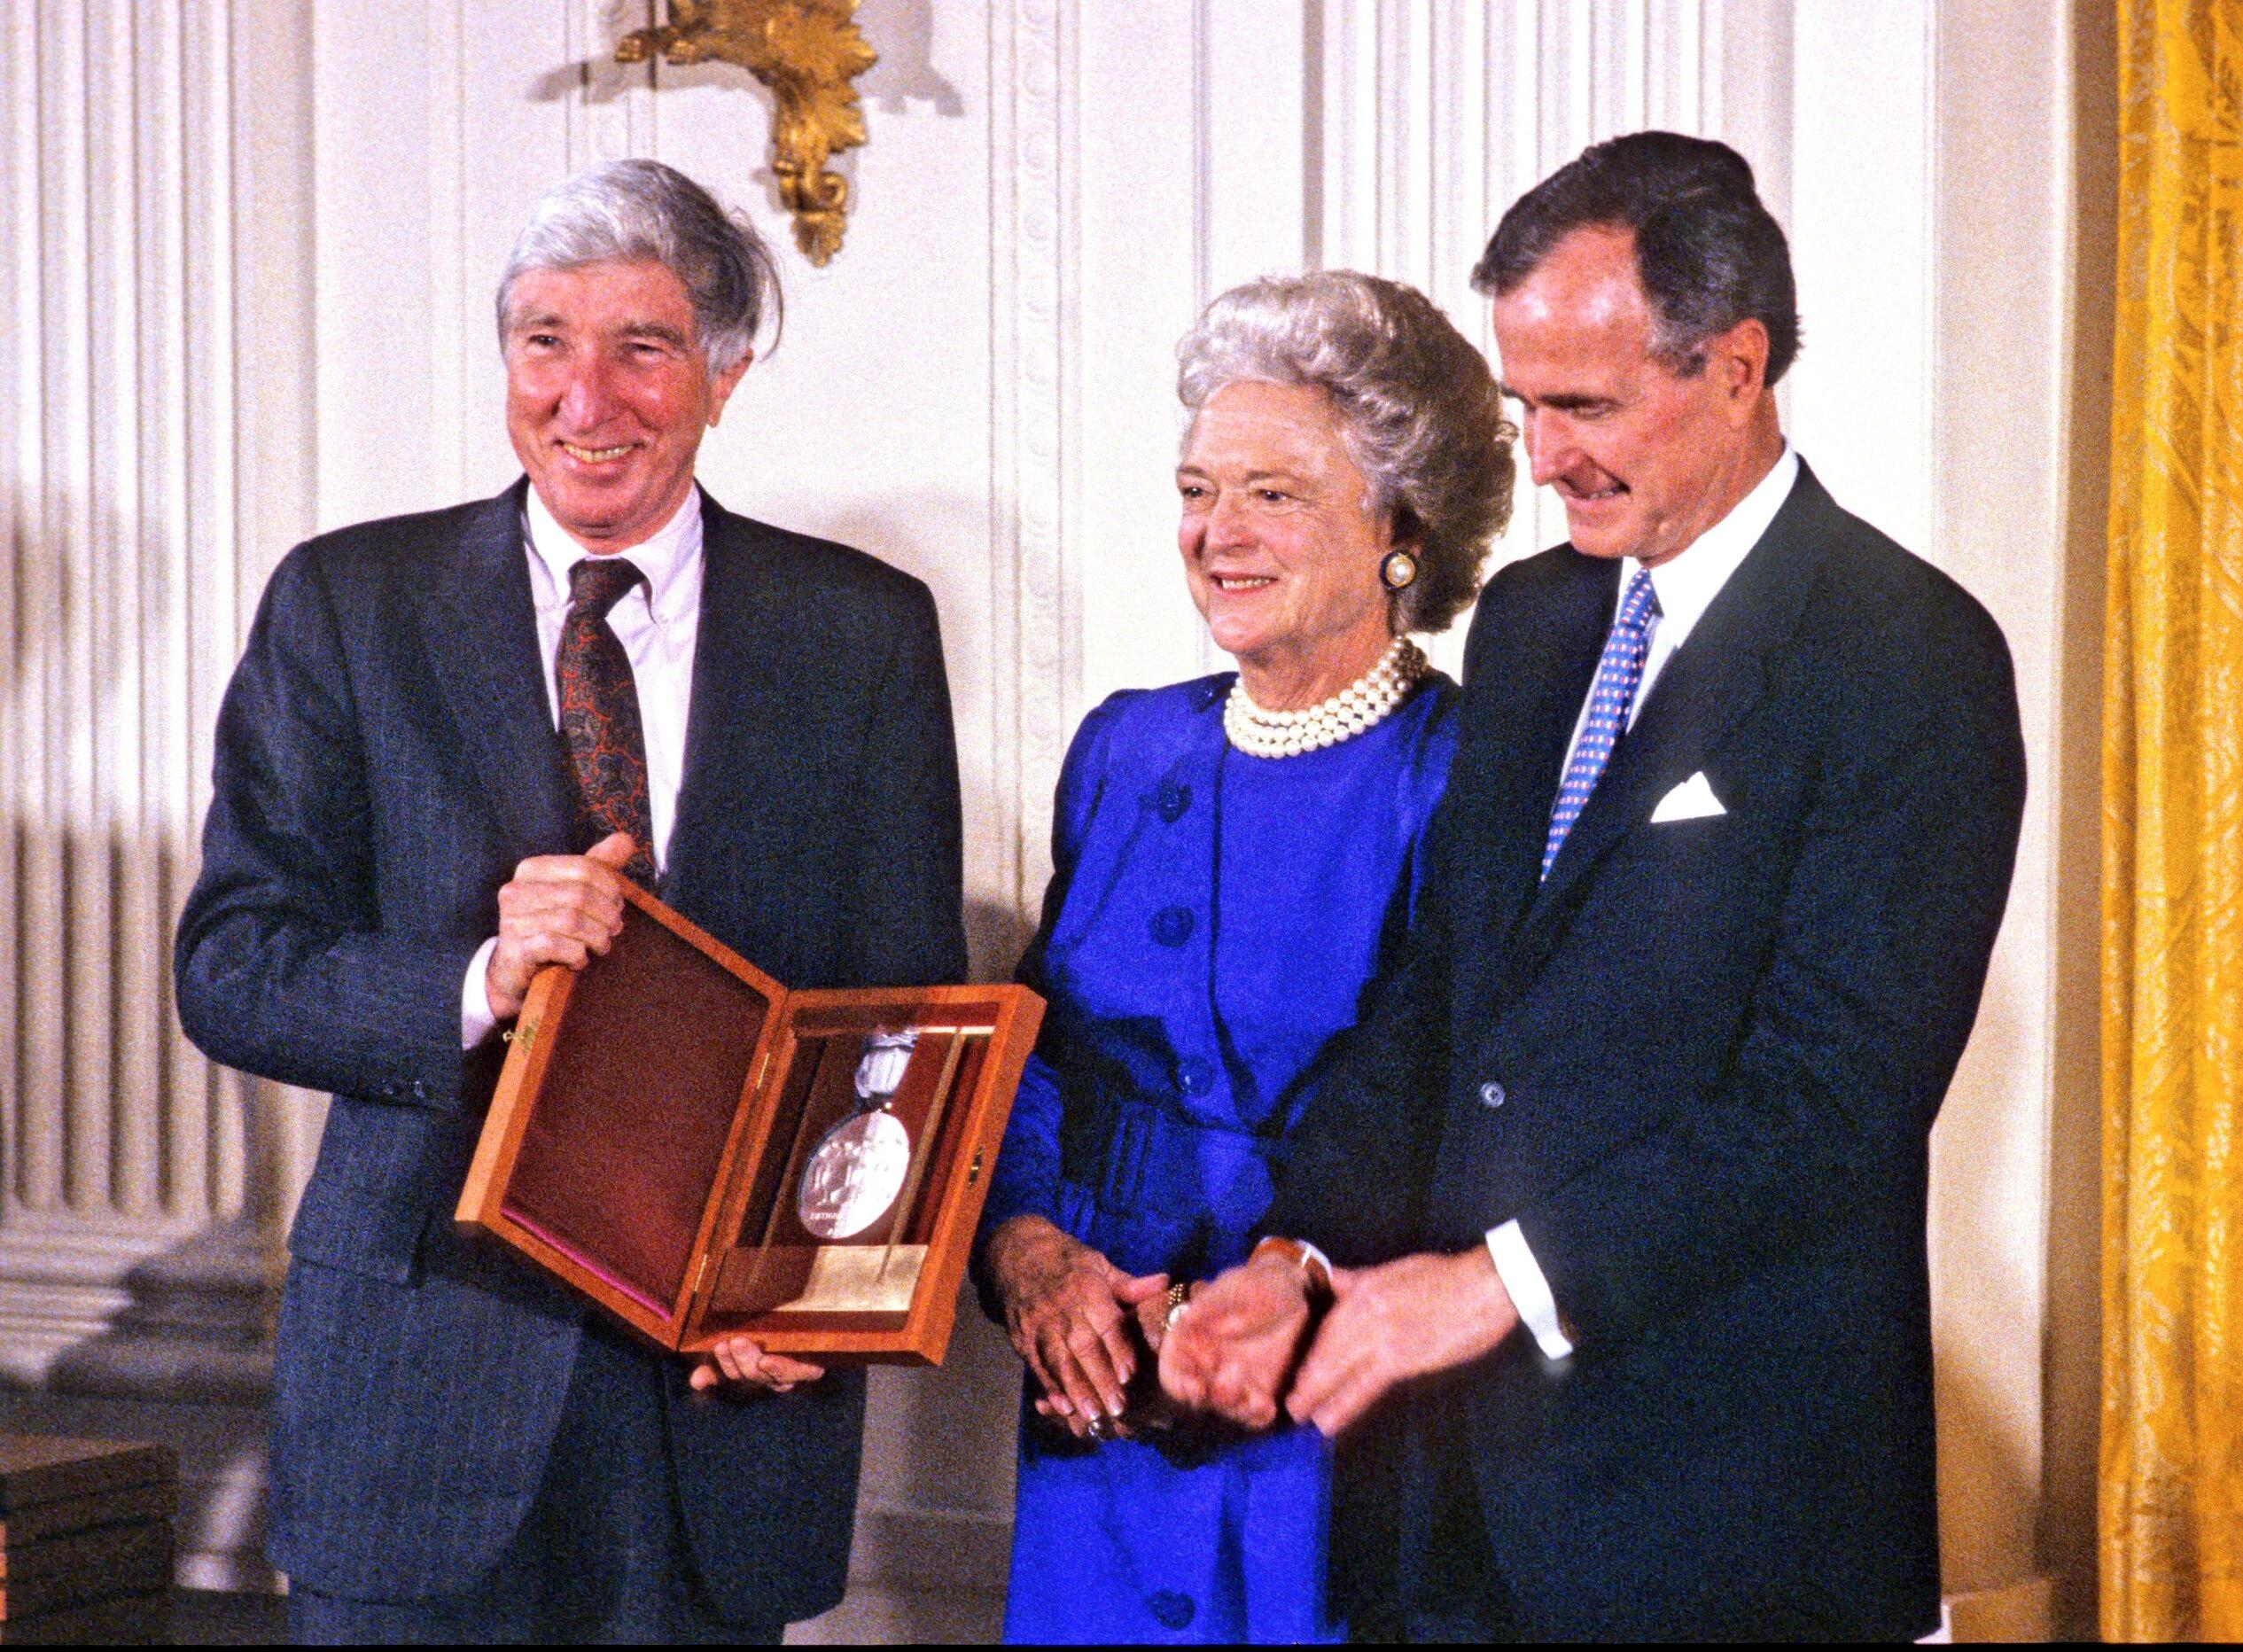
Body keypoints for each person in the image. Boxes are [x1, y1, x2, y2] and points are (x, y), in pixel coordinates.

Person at [1161, 132, 2028, 1641]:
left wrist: (1493, 1285)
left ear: (1739, 368)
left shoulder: (1909, 657)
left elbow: (1829, 1104)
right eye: (1523, 406)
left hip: (1732, 1526)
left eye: (1587, 406)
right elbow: (1449, 1003)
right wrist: (1294, 1257)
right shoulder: (1539, 619)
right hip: (1448, 1511)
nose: (1542, 456)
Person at [174, 159, 965, 1642]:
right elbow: (232, 965)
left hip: (715, 1416)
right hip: (417, 1391)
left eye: (641, 348)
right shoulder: (347, 605)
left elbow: (903, 1015)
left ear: (725, 376)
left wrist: (817, 1295)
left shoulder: (859, 631)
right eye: (545, 342)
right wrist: (479, 975)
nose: (584, 397)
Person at [976, 270, 1516, 1643]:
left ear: (1401, 526)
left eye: (1273, 493)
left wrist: (1289, 1282)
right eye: (1197, 489)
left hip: (1327, 1403)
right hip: (1091, 1391)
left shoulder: (1465, 775)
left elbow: (1457, 1111)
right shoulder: (1127, 745)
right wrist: (1028, 1252)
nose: (1218, 534)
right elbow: (1037, 1056)